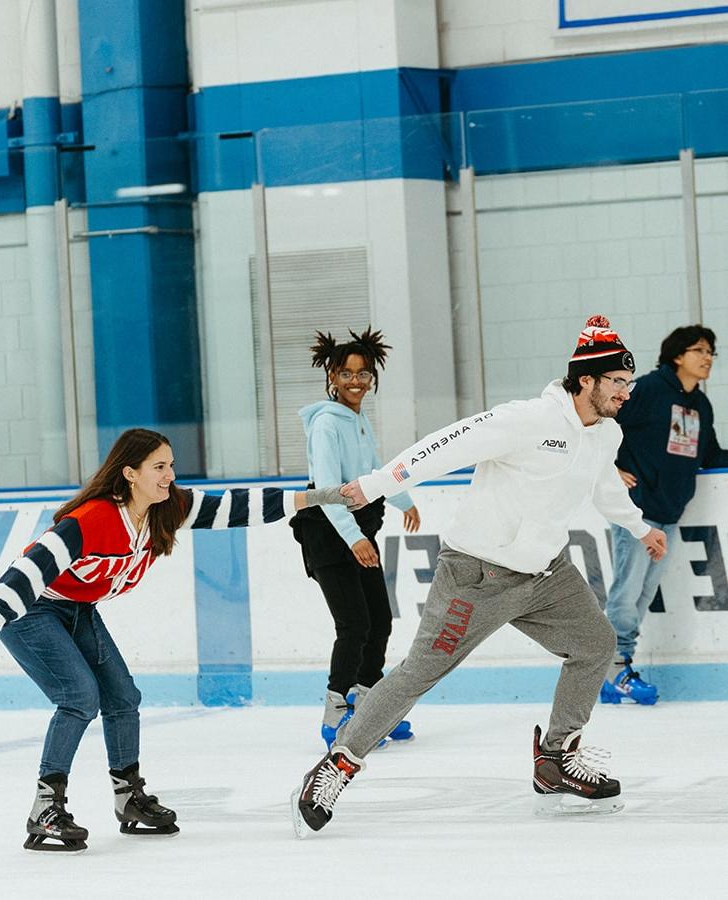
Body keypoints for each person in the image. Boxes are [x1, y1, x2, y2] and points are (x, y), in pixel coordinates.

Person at [292, 315, 669, 836]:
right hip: (478, 575)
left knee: (595, 644)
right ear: (587, 380)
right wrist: (379, 483)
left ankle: (555, 759)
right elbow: (447, 444)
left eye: (628, 383)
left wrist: (638, 525)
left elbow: (604, 485)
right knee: (418, 674)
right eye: (619, 384)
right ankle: (336, 765)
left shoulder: (605, 433)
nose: (627, 393)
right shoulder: (528, 420)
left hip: (547, 572)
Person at [0, 427, 351, 853]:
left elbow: (237, 506)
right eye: (159, 467)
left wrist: (317, 496)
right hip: (29, 611)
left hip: (76, 609)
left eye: (171, 466)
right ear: (130, 474)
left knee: (123, 696)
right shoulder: (93, 518)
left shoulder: (164, 509)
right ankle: (45, 807)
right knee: (79, 697)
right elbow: (32, 567)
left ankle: (129, 798)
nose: (169, 475)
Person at [290, 327, 420, 749]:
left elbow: (373, 471)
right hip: (328, 533)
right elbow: (328, 488)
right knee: (354, 624)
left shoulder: (357, 419)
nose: (355, 382)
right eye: (346, 373)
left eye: (363, 374)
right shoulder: (327, 424)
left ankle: (367, 709)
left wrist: (403, 501)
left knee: (379, 620)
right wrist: (353, 538)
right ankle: (335, 716)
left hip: (356, 528)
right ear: (331, 376)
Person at [602, 325, 728, 706]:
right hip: (636, 511)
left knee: (641, 594)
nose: (708, 358)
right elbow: (600, 423)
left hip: (668, 514)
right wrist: (608, 469)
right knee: (626, 594)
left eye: (712, 352)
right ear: (677, 355)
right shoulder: (649, 389)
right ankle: (612, 670)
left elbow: (710, 456)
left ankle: (616, 672)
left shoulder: (700, 405)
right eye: (700, 350)